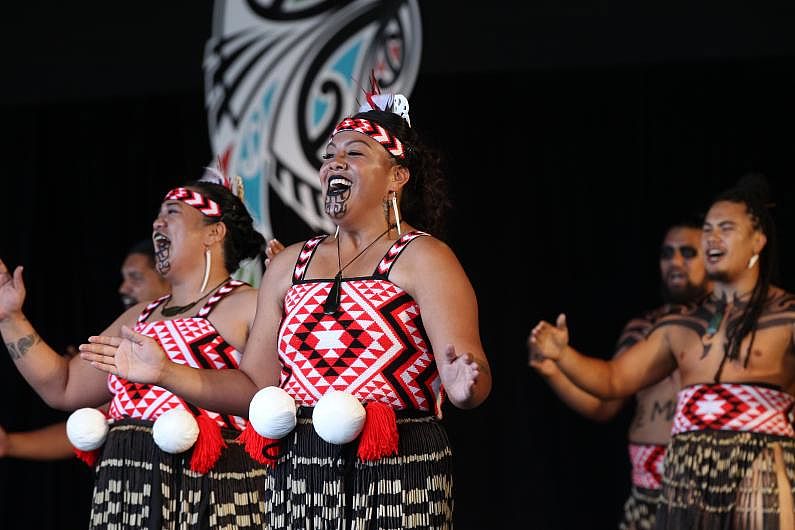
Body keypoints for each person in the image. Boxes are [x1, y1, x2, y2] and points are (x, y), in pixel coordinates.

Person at [82, 89, 493, 529]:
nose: (334, 162)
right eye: (329, 154)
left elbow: (472, 375)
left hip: (395, 465)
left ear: (397, 176)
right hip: (299, 473)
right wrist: (166, 373)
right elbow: (254, 386)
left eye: (355, 153)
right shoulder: (288, 265)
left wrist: (464, 384)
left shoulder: (423, 257)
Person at [529, 174, 795, 529]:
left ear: (758, 240)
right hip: (686, 474)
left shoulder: (787, 315)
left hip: (762, 468)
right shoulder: (680, 328)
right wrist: (562, 356)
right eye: (708, 229)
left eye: (726, 228)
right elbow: (612, 380)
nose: (712, 238)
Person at [0, 180, 269, 529]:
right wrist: (10, 319)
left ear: (213, 232)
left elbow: (262, 395)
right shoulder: (139, 316)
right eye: (157, 215)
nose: (157, 223)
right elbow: (64, 386)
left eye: (172, 213)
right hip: (128, 487)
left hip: (211, 488)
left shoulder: (248, 304)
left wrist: (167, 372)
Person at [529, 217, 711, 530]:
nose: (675, 262)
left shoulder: (724, 331)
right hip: (646, 491)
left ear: (712, 257)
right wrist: (553, 372)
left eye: (687, 252)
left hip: (706, 491)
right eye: (667, 254)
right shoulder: (642, 328)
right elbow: (605, 402)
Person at [0, 238, 170, 462]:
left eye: (135, 277)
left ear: (169, 276)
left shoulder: (198, 333)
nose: (123, 288)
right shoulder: (128, 334)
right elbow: (69, 390)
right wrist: (9, 317)